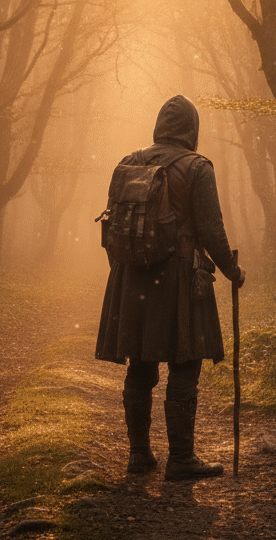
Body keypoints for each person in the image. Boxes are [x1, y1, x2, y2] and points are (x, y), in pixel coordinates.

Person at [95, 95, 245, 480]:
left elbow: (113, 225)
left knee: (141, 365)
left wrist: (128, 268)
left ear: (160, 125)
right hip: (179, 277)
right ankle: (181, 459)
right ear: (191, 129)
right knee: (185, 362)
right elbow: (211, 229)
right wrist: (232, 270)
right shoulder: (197, 167)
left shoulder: (130, 162)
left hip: (133, 277)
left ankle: (139, 456)